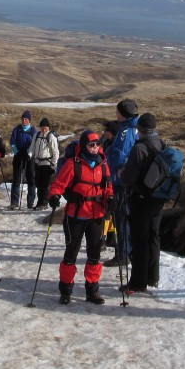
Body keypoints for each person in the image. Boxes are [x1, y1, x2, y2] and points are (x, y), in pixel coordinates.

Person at [49, 130, 113, 305]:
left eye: (97, 144)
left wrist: (111, 198)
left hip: (97, 215)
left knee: (94, 254)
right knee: (71, 253)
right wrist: (54, 196)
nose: (95, 147)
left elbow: (108, 188)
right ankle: (66, 290)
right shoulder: (73, 164)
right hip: (75, 215)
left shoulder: (103, 165)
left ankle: (92, 290)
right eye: (91, 144)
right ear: (84, 146)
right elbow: (58, 184)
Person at [119, 113, 165, 294]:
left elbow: (129, 178)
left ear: (141, 130)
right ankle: (153, 277)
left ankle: (137, 283)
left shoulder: (139, 148)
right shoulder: (161, 144)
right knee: (154, 237)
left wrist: (122, 173)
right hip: (158, 199)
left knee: (140, 241)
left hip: (141, 199)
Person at [103, 99, 140, 266]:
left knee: (121, 218)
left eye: (117, 112)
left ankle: (123, 254)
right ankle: (125, 251)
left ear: (124, 114)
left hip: (121, 181)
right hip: (127, 180)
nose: (115, 114)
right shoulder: (133, 128)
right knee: (123, 217)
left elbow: (119, 155)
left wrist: (107, 153)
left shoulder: (126, 131)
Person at [30, 118, 59, 210]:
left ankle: (44, 203)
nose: (43, 130)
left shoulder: (51, 137)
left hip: (47, 163)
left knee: (45, 184)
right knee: (38, 184)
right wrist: (29, 155)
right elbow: (32, 148)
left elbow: (55, 152)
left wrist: (54, 164)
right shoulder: (36, 135)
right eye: (42, 128)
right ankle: (39, 203)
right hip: (38, 162)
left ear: (48, 128)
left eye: (45, 128)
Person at [9, 110, 36, 209]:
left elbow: (35, 144)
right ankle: (14, 202)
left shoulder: (33, 131)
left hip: (29, 156)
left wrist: (30, 152)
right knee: (16, 179)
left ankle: (30, 202)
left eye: (26, 119)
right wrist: (16, 152)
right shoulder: (17, 130)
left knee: (31, 179)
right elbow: (12, 142)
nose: (24, 121)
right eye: (23, 119)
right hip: (18, 155)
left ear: (29, 120)